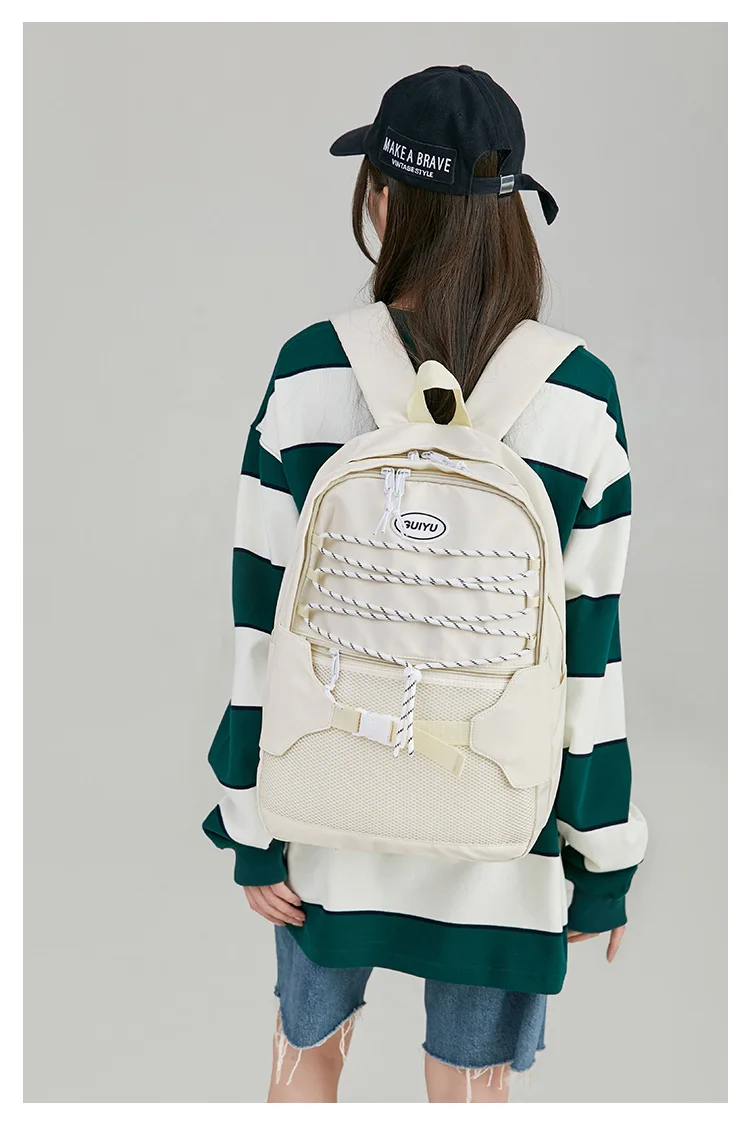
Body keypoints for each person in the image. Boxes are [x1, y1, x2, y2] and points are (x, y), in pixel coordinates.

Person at [202, 65, 648, 1104]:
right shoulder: (579, 397)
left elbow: (261, 619)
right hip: (505, 832)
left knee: (305, 1066)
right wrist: (603, 855)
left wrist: (248, 820)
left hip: (324, 803)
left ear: (383, 196)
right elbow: (591, 655)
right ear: (512, 213)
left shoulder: (311, 370)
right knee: (470, 1092)